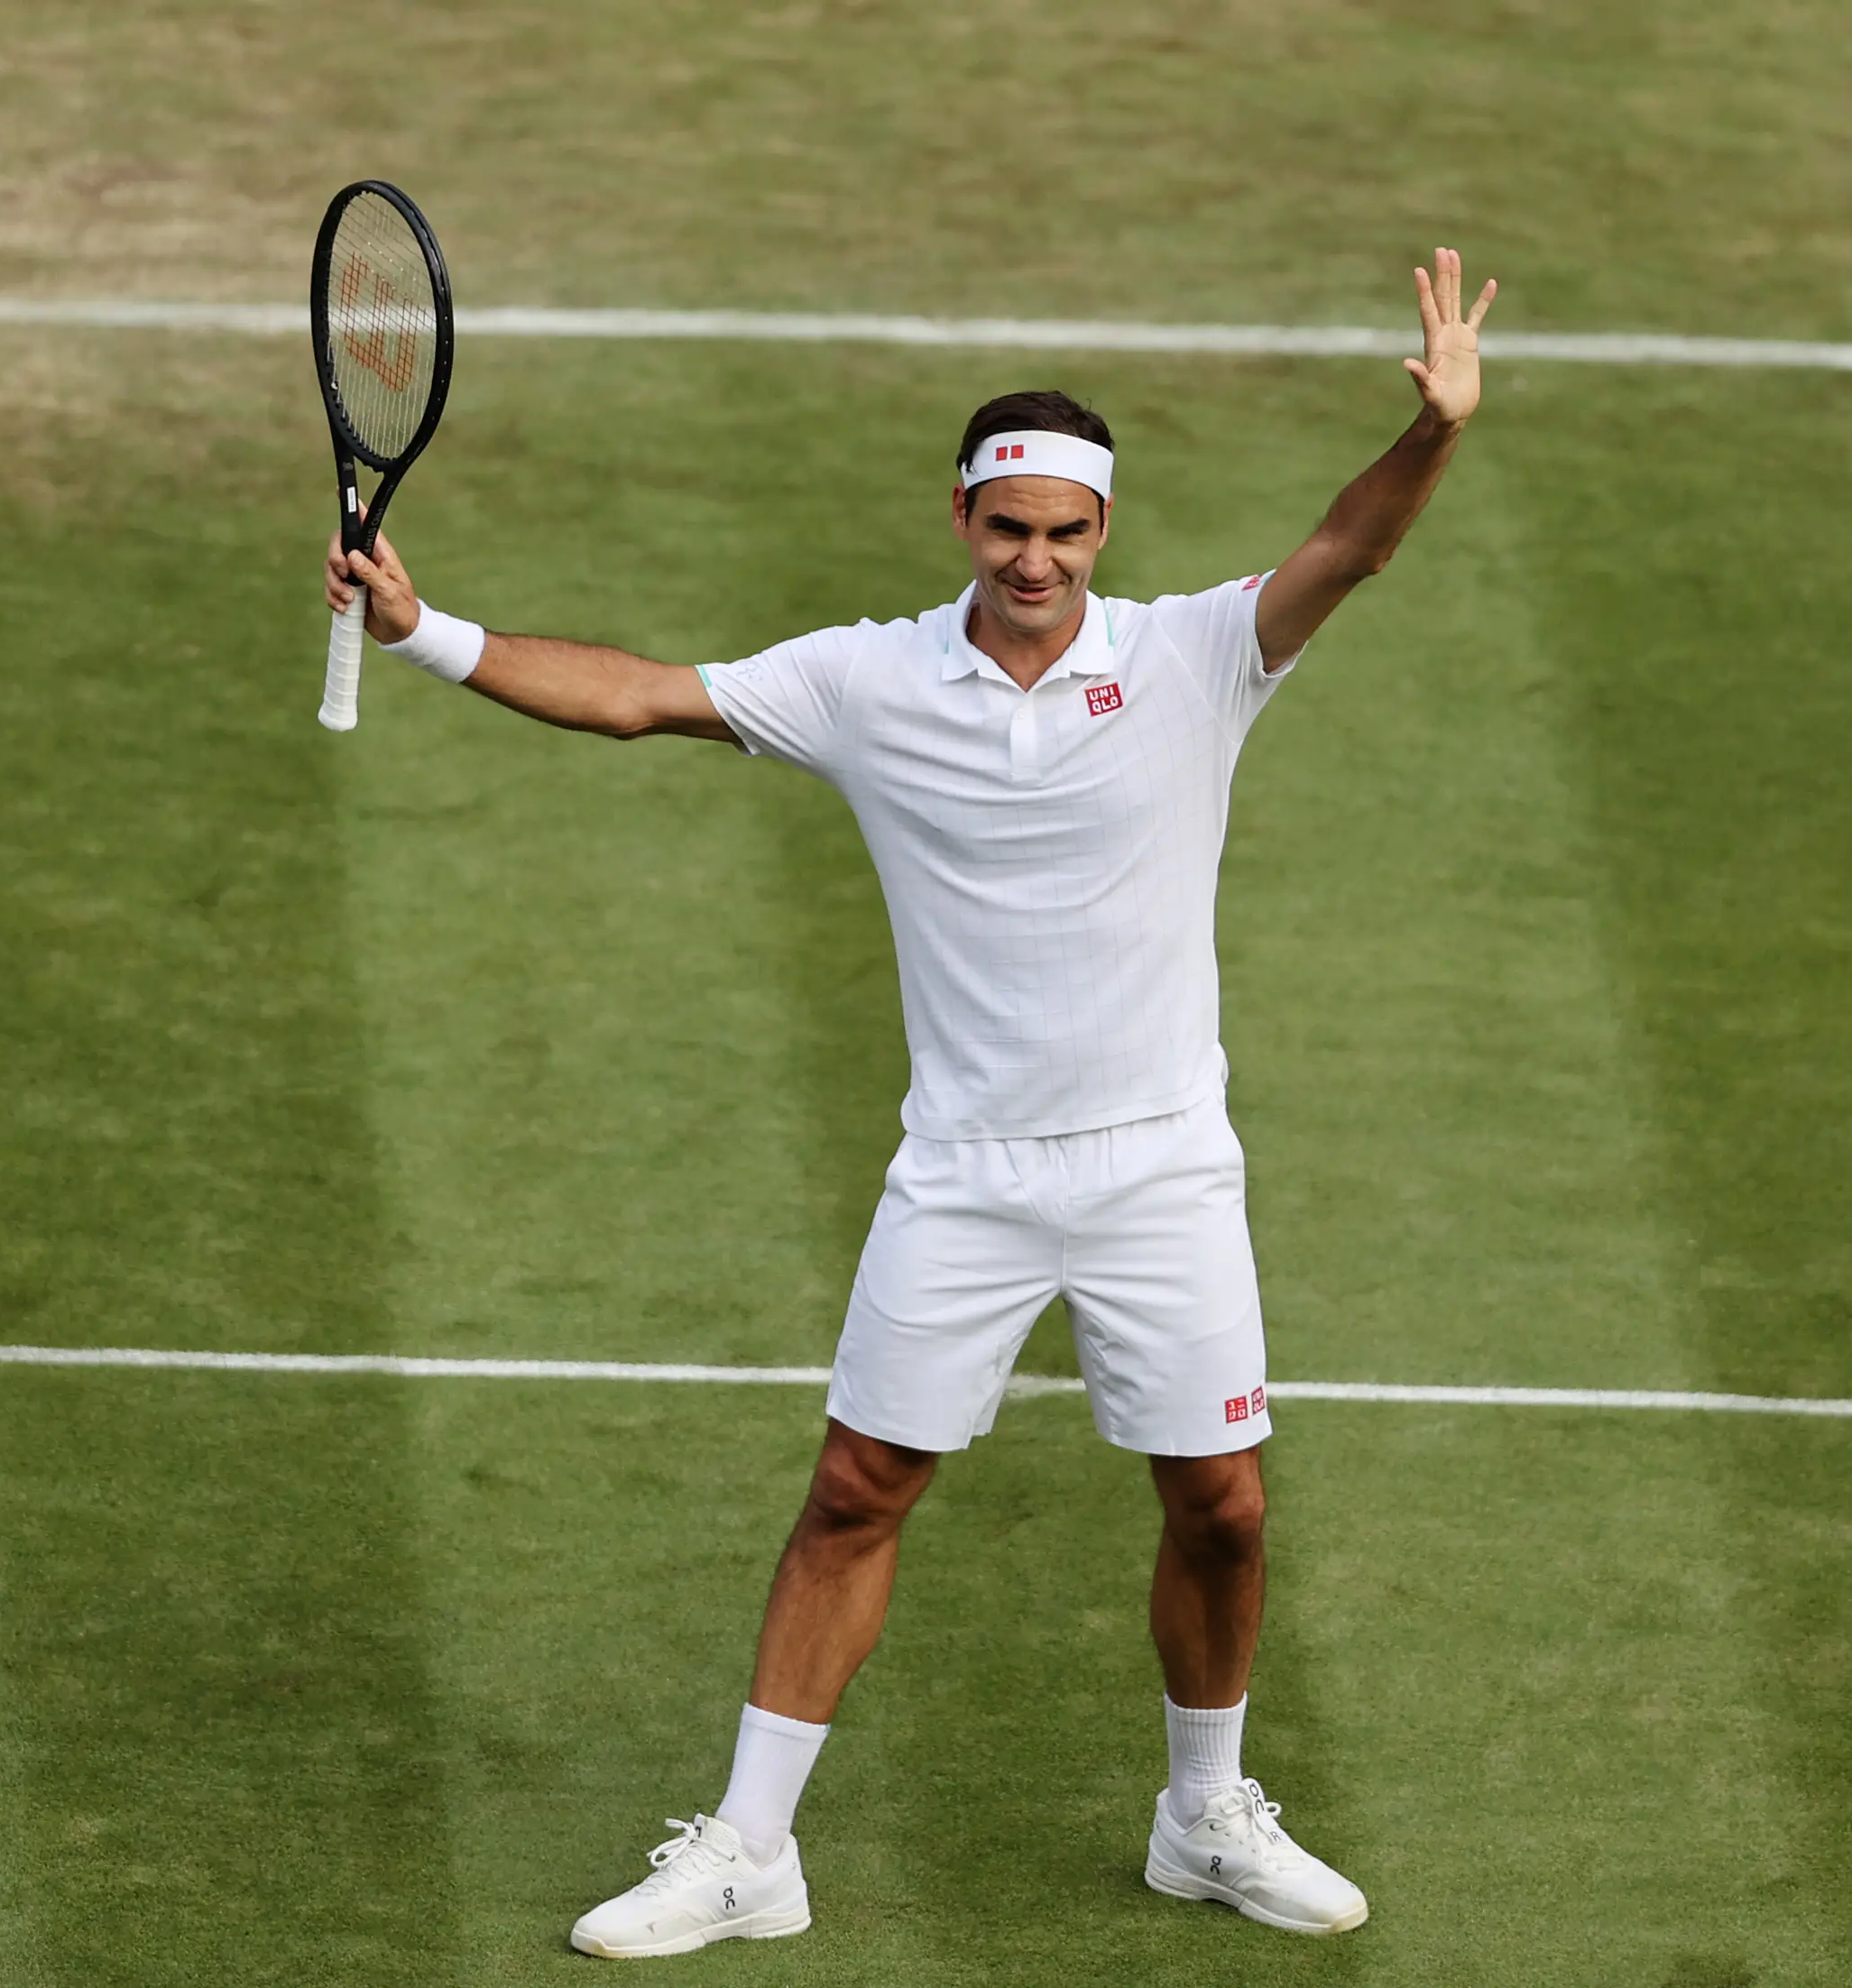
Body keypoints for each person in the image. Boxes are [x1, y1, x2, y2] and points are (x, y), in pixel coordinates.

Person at [326, 252, 1495, 1958]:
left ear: (1105, 537)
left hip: (1163, 1162)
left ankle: (1205, 1816)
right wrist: (428, 635)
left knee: (1223, 1505)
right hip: (964, 1171)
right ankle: (749, 1850)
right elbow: (646, 697)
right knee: (858, 1491)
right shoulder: (864, 682)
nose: (1037, 559)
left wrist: (1433, 434)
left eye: (1068, 534)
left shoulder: (1196, 661)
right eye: (1009, 527)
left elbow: (1354, 546)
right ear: (963, 520)